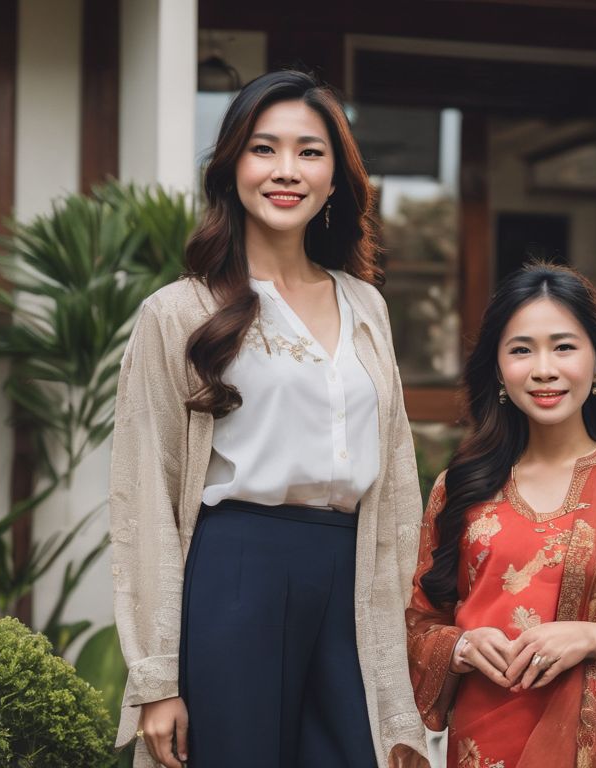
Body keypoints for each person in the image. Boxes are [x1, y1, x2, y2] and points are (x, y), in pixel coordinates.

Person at [108, 70, 429, 768]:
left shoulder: (366, 306)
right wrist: (157, 680)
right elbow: (143, 500)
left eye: (310, 152)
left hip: (351, 577)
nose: (287, 171)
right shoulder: (180, 313)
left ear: (337, 178)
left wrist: (408, 646)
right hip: (238, 574)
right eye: (265, 149)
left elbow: (399, 483)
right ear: (232, 169)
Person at [407, 262, 596, 768]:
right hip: (484, 736)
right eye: (522, 350)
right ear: (499, 369)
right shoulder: (459, 489)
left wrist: (594, 637)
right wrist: (460, 647)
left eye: (564, 347)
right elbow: (419, 622)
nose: (544, 368)